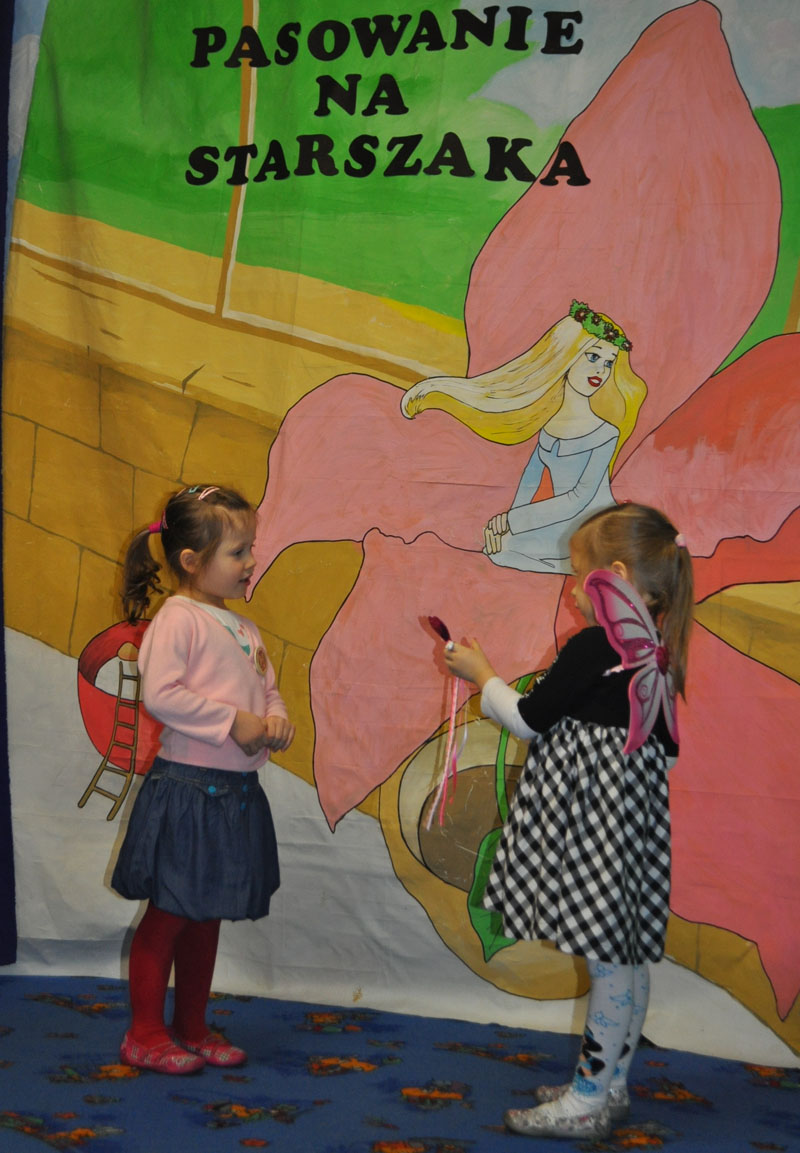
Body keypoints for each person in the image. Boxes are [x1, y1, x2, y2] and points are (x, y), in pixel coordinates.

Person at [442, 502, 693, 1140]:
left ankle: (587, 1098)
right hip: (628, 828)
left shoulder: (599, 645)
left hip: (595, 828)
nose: (573, 589)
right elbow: (666, 752)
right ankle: (608, 1085)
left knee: (608, 961)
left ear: (615, 576)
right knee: (624, 956)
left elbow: (528, 719)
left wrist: (482, 675)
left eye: (578, 574)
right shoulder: (653, 653)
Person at [111, 485, 295, 1075]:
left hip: (235, 796)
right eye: (238, 552)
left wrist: (276, 719)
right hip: (187, 791)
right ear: (191, 561)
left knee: (205, 914)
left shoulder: (244, 628)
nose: (250, 562)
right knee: (168, 914)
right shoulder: (178, 618)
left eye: (250, 549)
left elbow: (267, 689)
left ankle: (192, 1027)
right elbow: (162, 695)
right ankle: (144, 1033)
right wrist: (231, 721)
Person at [402, 301, 647, 573]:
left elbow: (578, 498)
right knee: (501, 548)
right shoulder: (549, 427)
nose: (601, 370)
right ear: (567, 354)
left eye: (608, 363)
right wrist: (508, 529)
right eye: (592, 357)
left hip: (595, 529)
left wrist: (512, 521)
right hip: (558, 524)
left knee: (514, 551)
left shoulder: (606, 433)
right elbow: (529, 486)